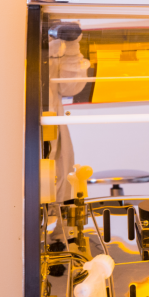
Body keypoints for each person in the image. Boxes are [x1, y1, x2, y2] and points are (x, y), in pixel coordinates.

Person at [48, 22, 91, 201]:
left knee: (48, 193)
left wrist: (72, 47)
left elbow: (69, 87)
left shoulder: (56, 13)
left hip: (47, 122)